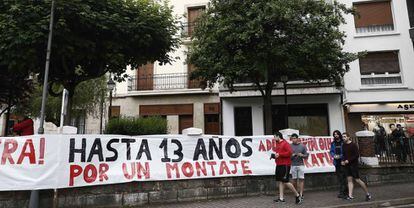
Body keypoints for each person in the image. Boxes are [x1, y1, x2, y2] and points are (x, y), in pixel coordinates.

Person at [270, 132, 303, 204]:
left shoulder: (285, 143)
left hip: (285, 165)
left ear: (278, 136)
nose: (274, 138)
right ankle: (281, 199)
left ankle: (297, 196)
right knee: (280, 181)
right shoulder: (278, 144)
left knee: (285, 181)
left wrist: (280, 154)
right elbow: (278, 154)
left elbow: (290, 152)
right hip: (279, 164)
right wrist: (274, 156)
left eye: (275, 137)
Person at [341, 132, 371, 201]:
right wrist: (343, 160)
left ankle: (367, 194)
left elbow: (356, 155)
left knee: (357, 180)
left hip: (353, 165)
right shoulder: (343, 145)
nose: (343, 138)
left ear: (348, 137)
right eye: (343, 137)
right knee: (349, 180)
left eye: (345, 136)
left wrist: (348, 160)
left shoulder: (353, 145)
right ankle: (350, 196)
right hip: (347, 165)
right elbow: (344, 154)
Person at [329, 130, 348, 199]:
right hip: (336, 162)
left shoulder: (343, 142)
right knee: (339, 178)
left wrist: (340, 156)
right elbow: (331, 151)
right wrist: (333, 155)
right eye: (334, 134)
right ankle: (342, 191)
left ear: (339, 135)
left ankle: (344, 192)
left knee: (343, 177)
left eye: (337, 134)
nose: (335, 135)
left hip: (343, 162)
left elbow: (345, 151)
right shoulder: (333, 143)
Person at [290, 133, 308, 200]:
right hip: (293, 165)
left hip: (301, 164)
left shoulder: (302, 146)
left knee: (301, 179)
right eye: (292, 138)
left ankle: (301, 194)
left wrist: (302, 155)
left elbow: (306, 156)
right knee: (294, 180)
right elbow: (288, 157)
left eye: (294, 138)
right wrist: (292, 155)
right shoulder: (290, 146)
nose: (293, 140)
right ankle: (296, 193)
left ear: (297, 139)